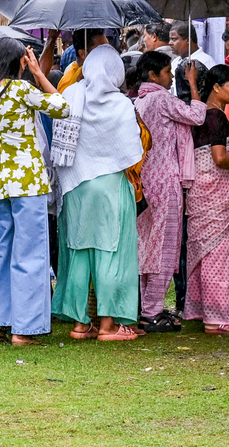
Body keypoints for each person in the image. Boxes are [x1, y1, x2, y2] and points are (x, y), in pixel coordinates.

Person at [0, 39, 70, 346]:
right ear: (20, 62)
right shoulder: (20, 90)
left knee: (3, 251)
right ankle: (24, 328)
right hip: (26, 183)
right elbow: (63, 108)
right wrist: (39, 75)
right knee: (31, 254)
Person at [50, 45, 144, 341]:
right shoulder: (121, 105)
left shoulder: (71, 96)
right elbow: (132, 152)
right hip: (110, 186)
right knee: (111, 253)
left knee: (77, 252)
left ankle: (80, 324)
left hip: (76, 187)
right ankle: (107, 325)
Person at [134, 49, 205, 331]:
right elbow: (196, 116)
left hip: (144, 182)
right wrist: (191, 84)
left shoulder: (138, 100)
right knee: (164, 245)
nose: (168, 78)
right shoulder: (161, 99)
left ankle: (144, 306)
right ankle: (152, 310)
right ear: (154, 75)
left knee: (145, 246)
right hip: (165, 180)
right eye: (166, 73)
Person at [184, 64, 229, 334]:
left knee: (204, 249)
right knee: (218, 253)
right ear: (216, 87)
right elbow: (220, 158)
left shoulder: (201, 114)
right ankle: (217, 316)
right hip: (215, 188)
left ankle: (203, 311)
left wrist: (191, 82)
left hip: (200, 189)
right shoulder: (218, 119)